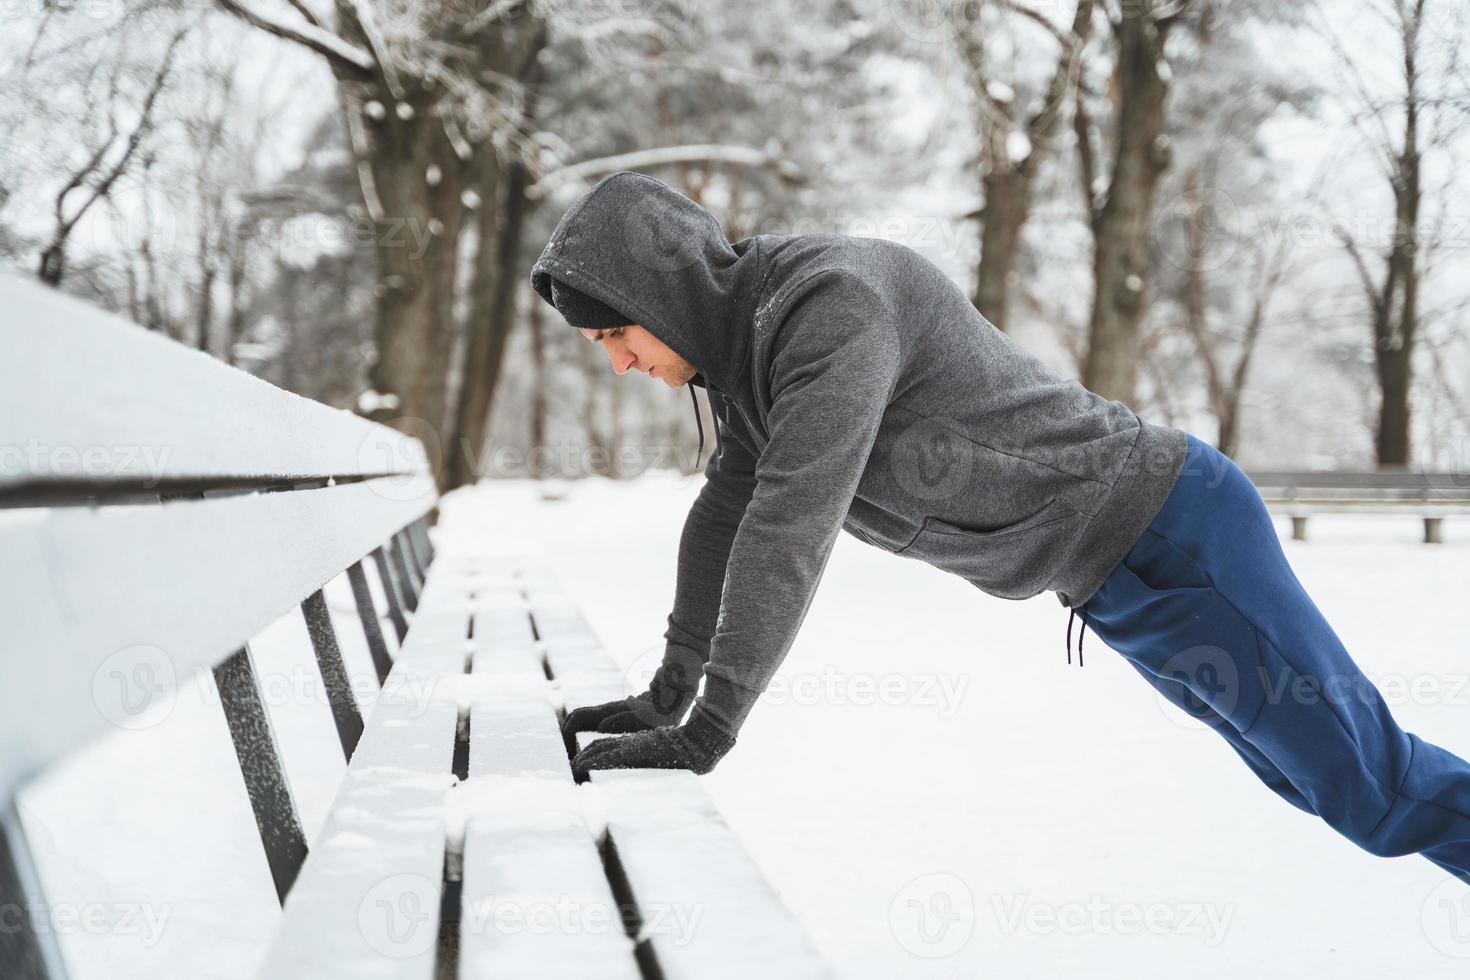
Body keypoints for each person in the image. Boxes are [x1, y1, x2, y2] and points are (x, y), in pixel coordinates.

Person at [529, 170, 1470, 883]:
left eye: (619, 336)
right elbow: (724, 517)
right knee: (1315, 781)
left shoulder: (829, 306)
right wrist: (668, 692)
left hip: (1177, 537)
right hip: (1118, 578)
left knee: (1371, 791)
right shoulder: (752, 368)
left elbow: (789, 523)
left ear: (663, 297)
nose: (619, 363)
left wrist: (712, 727)